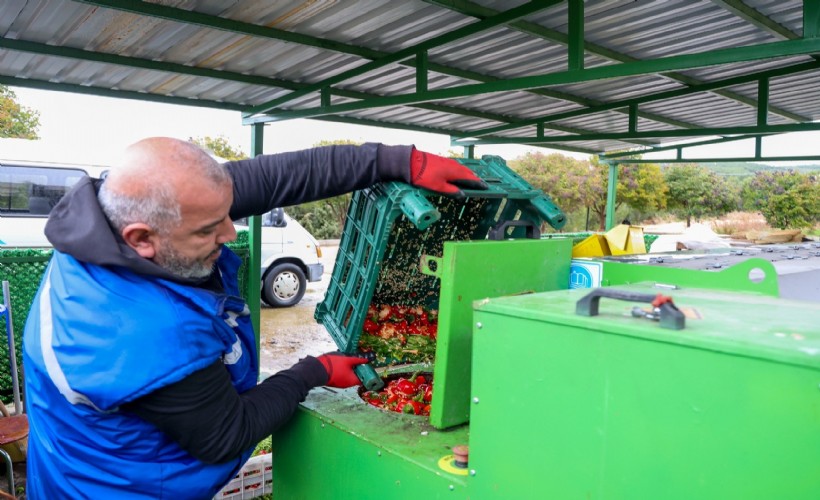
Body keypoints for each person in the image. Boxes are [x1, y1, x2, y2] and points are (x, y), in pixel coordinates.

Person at [22, 137, 487, 499]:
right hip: (117, 490)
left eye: (227, 213)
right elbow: (228, 434)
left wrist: (396, 161)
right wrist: (314, 371)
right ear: (141, 238)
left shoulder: (117, 217)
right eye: (210, 229)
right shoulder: (141, 333)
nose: (231, 231)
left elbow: (276, 178)